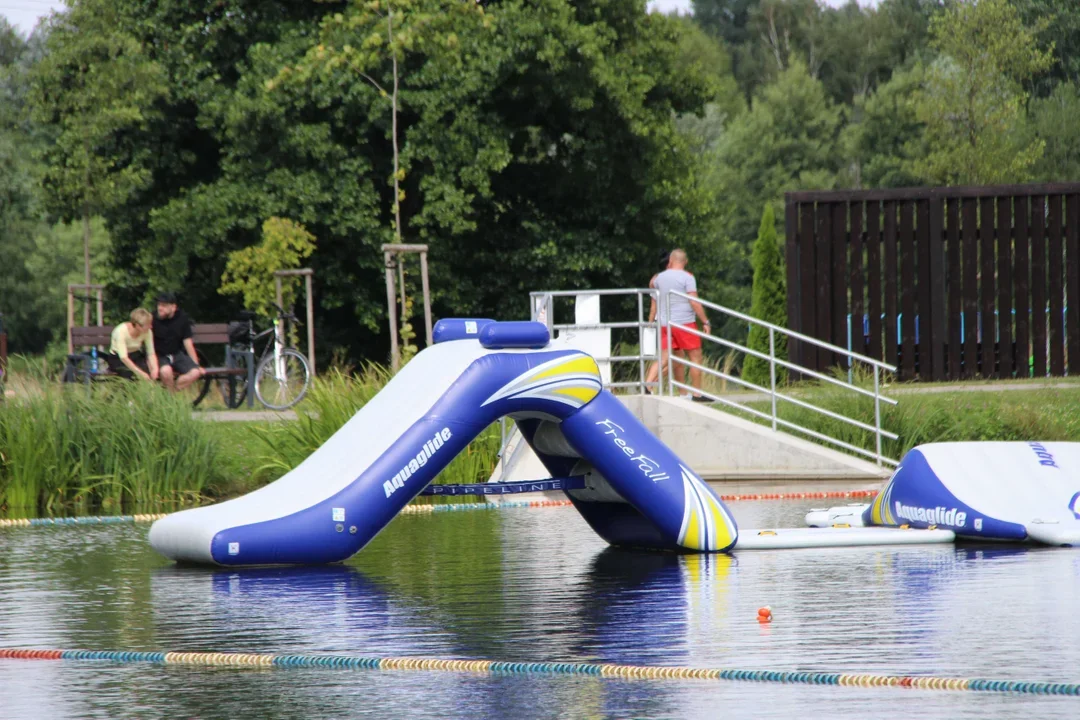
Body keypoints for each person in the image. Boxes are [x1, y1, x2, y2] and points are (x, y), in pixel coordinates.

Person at [649, 249, 710, 402]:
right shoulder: (688, 277)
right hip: (684, 323)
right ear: (686, 261)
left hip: (664, 324)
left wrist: (650, 322)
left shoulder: (658, 279)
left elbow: (652, 293)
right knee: (695, 358)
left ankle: (647, 385)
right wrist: (705, 321)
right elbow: (694, 302)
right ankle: (696, 394)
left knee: (664, 358)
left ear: (670, 261)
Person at [153, 292, 205, 391]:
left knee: (195, 372)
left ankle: (171, 395)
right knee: (166, 371)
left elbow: (188, 343)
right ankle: (172, 400)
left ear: (173, 307)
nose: (160, 308)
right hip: (160, 355)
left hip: (177, 354)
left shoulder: (182, 319)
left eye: (164, 305)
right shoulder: (152, 319)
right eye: (159, 305)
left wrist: (196, 365)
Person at [105, 308, 159, 381]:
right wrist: (140, 373)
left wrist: (155, 369)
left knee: (148, 372)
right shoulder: (121, 331)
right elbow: (123, 357)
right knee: (130, 375)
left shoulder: (148, 332)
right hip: (118, 358)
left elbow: (151, 352)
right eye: (148, 325)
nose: (151, 327)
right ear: (138, 326)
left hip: (135, 355)